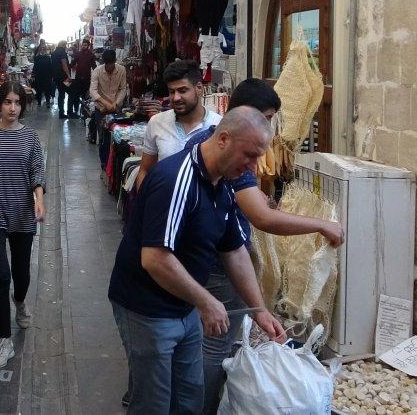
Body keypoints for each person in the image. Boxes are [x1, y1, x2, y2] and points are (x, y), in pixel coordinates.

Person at [109, 107, 287, 415]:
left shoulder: (224, 182)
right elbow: (155, 258)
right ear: (224, 139)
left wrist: (259, 309)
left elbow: (233, 250)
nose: (253, 167)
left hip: (183, 303)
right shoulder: (176, 179)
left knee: (190, 397)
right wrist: (205, 301)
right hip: (146, 307)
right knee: (154, 402)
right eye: (249, 155)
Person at [185, 78, 345, 414]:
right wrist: (321, 224)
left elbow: (246, 211)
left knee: (205, 343)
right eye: (268, 117)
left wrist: (258, 309)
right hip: (218, 265)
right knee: (215, 347)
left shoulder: (206, 140)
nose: (269, 128)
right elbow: (260, 218)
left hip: (213, 258)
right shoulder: (236, 156)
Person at [0, 82, 47, 369]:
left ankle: (20, 301)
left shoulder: (30, 138)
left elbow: (37, 172)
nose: (12, 108)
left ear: (22, 106)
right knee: (1, 276)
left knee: (21, 274)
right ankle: (5, 341)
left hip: (23, 212)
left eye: (17, 102)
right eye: (7, 102)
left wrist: (39, 200)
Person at [135, 60, 223, 188]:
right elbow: (146, 170)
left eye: (182, 91)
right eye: (172, 92)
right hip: (164, 205)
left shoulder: (218, 126)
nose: (176, 98)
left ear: (199, 88)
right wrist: (146, 203)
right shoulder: (157, 123)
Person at [69, 38, 96, 119]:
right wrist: (70, 68)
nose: (83, 46)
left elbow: (94, 66)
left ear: (88, 46)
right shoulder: (78, 54)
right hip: (78, 78)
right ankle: (76, 111)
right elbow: (72, 64)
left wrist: (98, 73)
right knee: (76, 96)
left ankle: (84, 113)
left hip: (86, 78)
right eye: (83, 45)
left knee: (85, 97)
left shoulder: (91, 55)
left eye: (85, 45)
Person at [51, 41, 71, 119]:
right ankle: (68, 112)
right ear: (63, 45)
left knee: (61, 94)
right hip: (64, 77)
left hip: (56, 77)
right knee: (71, 92)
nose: (66, 47)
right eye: (65, 45)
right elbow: (64, 65)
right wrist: (69, 76)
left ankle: (61, 112)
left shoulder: (53, 53)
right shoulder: (62, 52)